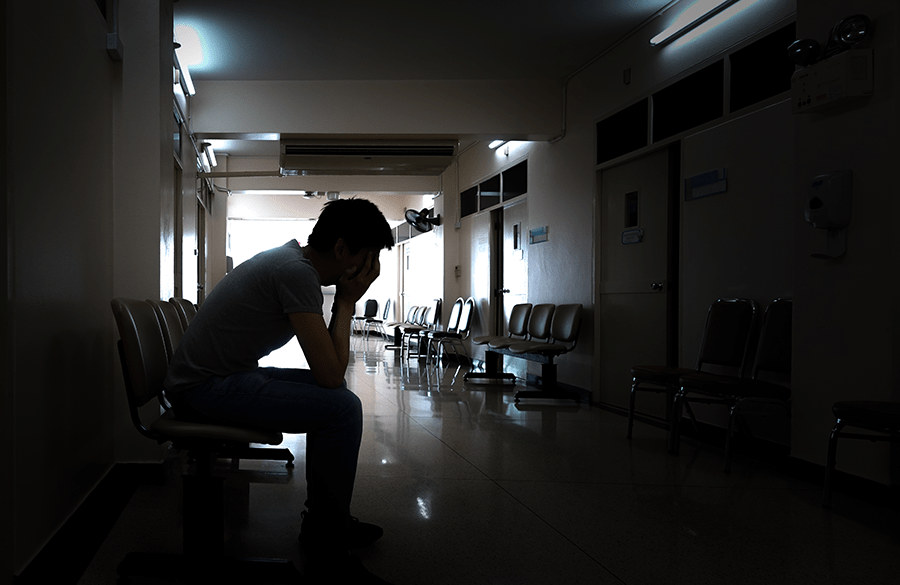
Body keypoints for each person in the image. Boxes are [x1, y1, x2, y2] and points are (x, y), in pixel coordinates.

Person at [164, 198, 396, 583]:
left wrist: (343, 301)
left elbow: (331, 373)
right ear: (341, 250)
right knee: (341, 410)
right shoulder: (295, 272)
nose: (371, 271)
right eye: (368, 258)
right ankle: (329, 554)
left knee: (343, 406)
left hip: (221, 378)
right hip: (203, 390)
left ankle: (326, 524)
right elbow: (330, 374)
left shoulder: (293, 263)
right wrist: (346, 301)